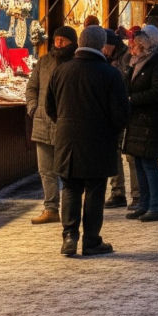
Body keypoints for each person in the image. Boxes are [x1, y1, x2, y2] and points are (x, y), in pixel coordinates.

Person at [45, 25, 129, 256]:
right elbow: (121, 113)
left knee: (70, 187)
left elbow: (49, 107)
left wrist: (64, 123)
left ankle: (69, 236)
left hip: (67, 139)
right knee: (95, 189)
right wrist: (111, 130)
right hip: (98, 139)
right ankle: (91, 240)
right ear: (101, 45)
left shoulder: (61, 71)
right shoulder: (111, 74)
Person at [24, 25, 77, 224]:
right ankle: (51, 208)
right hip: (42, 123)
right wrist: (33, 107)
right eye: (57, 40)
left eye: (63, 40)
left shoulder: (76, 63)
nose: (59, 43)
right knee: (45, 169)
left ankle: (70, 207)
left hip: (66, 125)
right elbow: (32, 87)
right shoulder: (44, 62)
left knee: (67, 170)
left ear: (72, 43)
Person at [122, 27, 158, 221]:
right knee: (138, 163)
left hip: (151, 120)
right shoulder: (136, 63)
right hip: (136, 120)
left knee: (149, 163)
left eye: (137, 43)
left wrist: (132, 99)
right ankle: (144, 203)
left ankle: (155, 206)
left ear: (147, 43)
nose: (133, 46)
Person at [103, 29, 139, 209]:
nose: (103, 49)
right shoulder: (108, 59)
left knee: (131, 154)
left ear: (111, 44)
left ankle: (137, 195)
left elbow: (126, 83)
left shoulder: (127, 58)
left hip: (128, 111)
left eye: (105, 45)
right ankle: (117, 191)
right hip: (113, 112)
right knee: (113, 152)